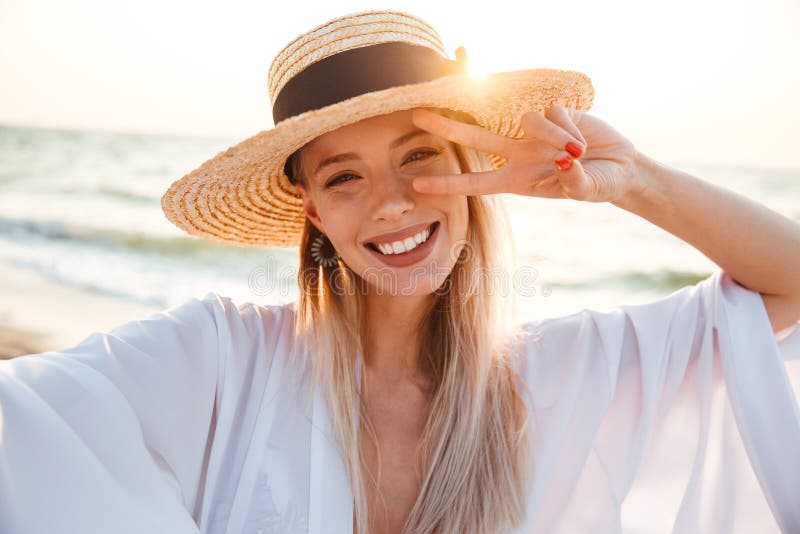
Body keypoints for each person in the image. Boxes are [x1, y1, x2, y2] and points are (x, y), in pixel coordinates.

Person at [1, 9, 799, 534]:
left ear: (474, 172)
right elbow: (23, 422)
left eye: (420, 158)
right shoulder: (219, 357)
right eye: (344, 176)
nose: (391, 203)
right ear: (312, 209)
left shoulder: (556, 374)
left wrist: (634, 180)